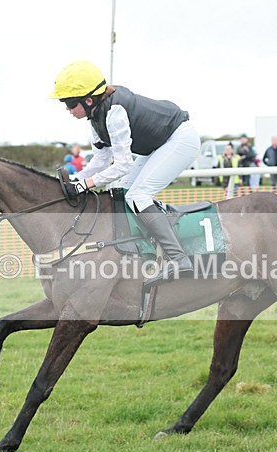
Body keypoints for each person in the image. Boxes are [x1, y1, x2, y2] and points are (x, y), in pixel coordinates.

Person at [50, 60, 199, 286]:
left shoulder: (114, 111)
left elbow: (122, 165)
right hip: (157, 144)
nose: (67, 110)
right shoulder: (95, 115)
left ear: (88, 100)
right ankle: (144, 251)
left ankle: (179, 258)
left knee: (137, 196)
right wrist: (75, 179)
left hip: (179, 139)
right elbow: (101, 160)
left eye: (70, 104)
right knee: (120, 191)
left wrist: (84, 185)